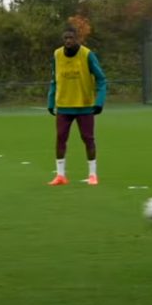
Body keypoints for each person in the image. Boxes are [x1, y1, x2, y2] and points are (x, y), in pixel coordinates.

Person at [47, 25, 107, 186]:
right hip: (64, 106)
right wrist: (51, 101)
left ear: (77, 39)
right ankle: (60, 175)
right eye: (65, 38)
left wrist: (99, 101)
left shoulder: (87, 55)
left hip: (84, 105)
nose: (68, 40)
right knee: (60, 138)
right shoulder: (57, 54)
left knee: (88, 139)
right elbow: (54, 79)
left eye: (71, 38)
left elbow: (101, 79)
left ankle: (92, 174)